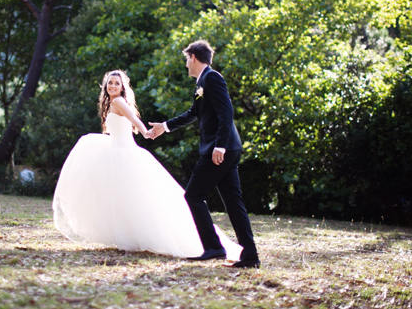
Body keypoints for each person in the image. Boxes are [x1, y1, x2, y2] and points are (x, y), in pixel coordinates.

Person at [52, 69, 241, 259]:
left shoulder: (118, 102)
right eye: (110, 82)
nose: (113, 86)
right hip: (116, 151)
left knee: (133, 196)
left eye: (117, 83)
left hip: (124, 153)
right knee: (123, 197)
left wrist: (146, 132)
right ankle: (128, 235)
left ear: (123, 87)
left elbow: (134, 120)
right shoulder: (110, 104)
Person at [148, 40, 260, 267]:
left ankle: (213, 247)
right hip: (225, 149)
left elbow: (226, 113)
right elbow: (193, 113)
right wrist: (165, 126)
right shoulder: (203, 82)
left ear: (194, 58)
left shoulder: (212, 78)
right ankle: (250, 256)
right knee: (233, 202)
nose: (186, 64)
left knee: (193, 196)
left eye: (187, 59)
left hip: (220, 150)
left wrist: (220, 145)